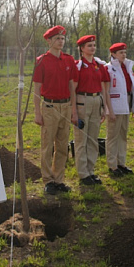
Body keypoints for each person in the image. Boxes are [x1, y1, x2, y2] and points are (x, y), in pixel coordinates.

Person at [33, 25, 79, 195]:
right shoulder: (42, 61)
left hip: (65, 106)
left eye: (62, 39)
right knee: (47, 145)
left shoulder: (68, 60)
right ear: (49, 41)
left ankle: (59, 179)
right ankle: (48, 180)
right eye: (57, 39)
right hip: (49, 107)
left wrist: (74, 110)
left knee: (62, 145)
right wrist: (37, 112)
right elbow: (37, 89)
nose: (61, 42)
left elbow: (71, 87)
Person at [74, 35, 112, 186]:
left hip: (97, 100)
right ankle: (83, 173)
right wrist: (74, 110)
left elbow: (102, 86)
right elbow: (73, 87)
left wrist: (104, 106)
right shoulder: (78, 66)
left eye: (94, 45)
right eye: (89, 45)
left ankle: (91, 170)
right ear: (82, 49)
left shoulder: (98, 65)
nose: (92, 48)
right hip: (82, 101)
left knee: (93, 138)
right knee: (81, 139)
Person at [105, 43, 134, 177]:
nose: (123, 55)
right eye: (120, 52)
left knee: (123, 135)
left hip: (126, 103)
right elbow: (106, 91)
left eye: (124, 52)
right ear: (113, 54)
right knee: (113, 136)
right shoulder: (109, 69)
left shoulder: (127, 67)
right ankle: (112, 165)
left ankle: (121, 163)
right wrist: (110, 110)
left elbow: (132, 88)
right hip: (115, 105)